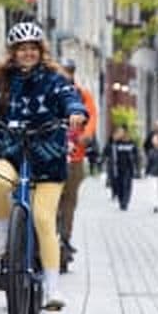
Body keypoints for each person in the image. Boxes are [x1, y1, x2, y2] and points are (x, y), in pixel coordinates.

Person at [0, 22, 86, 310]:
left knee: (44, 219)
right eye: (22, 49)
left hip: (48, 158)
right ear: (13, 53)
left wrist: (75, 112)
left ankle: (52, 288)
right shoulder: (2, 80)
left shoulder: (55, 79)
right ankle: (3, 230)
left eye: (33, 48)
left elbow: (70, 98)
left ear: (41, 51)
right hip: (13, 151)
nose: (28, 53)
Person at [57, 58, 98, 254]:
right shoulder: (51, 92)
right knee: (51, 198)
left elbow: (91, 116)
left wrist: (87, 134)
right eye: (63, 70)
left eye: (69, 71)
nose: (66, 74)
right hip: (52, 155)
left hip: (75, 157)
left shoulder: (82, 94)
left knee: (69, 200)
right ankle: (49, 237)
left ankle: (65, 237)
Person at [103, 126, 139, 210]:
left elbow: (136, 155)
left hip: (128, 168)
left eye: (122, 132)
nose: (120, 134)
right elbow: (106, 152)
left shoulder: (131, 143)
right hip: (117, 168)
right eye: (119, 132)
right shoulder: (114, 143)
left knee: (126, 185)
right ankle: (121, 200)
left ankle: (125, 202)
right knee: (119, 186)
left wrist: (137, 167)